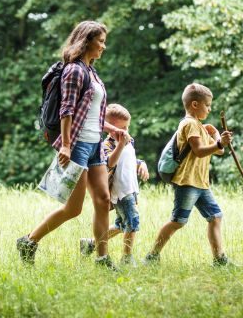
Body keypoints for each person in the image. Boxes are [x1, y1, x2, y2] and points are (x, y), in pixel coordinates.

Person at [17, 21, 127, 269]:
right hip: (76, 144)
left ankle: (102, 258)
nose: (103, 46)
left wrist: (113, 129)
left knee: (102, 199)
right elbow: (67, 110)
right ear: (87, 40)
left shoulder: (92, 72)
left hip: (94, 144)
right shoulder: (74, 71)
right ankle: (29, 241)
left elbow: (91, 113)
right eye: (100, 41)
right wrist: (66, 145)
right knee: (74, 208)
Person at [144, 83, 236, 266]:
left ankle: (220, 260)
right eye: (207, 105)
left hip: (201, 184)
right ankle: (152, 256)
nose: (210, 109)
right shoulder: (189, 124)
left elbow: (219, 152)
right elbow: (200, 150)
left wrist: (218, 137)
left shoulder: (200, 126)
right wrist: (219, 143)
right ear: (195, 104)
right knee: (178, 221)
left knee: (215, 216)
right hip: (187, 182)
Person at [80, 104, 149, 265]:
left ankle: (90, 243)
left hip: (130, 188)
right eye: (122, 128)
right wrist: (120, 144)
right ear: (110, 129)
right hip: (119, 190)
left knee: (120, 224)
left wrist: (141, 163)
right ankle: (127, 258)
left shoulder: (129, 141)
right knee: (132, 222)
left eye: (127, 127)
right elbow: (109, 163)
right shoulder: (106, 145)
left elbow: (129, 160)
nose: (126, 131)